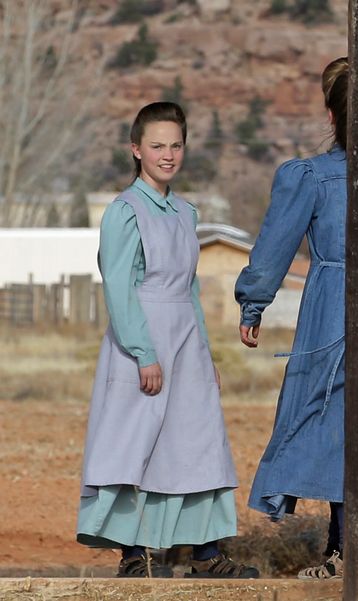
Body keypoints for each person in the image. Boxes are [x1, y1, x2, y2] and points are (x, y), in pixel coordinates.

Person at [77, 101, 258, 579]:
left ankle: (206, 554)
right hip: (141, 339)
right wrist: (144, 354)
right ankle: (134, 556)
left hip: (186, 340)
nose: (168, 155)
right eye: (157, 145)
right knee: (134, 443)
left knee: (196, 440)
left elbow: (189, 288)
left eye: (176, 145)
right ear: (136, 149)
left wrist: (204, 353)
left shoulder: (185, 212)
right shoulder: (124, 211)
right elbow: (119, 288)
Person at [235, 57, 351, 580]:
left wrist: (253, 303)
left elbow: (274, 246)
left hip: (333, 317)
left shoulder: (313, 176)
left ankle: (344, 549)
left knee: (329, 420)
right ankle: (346, 547)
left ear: (331, 116)